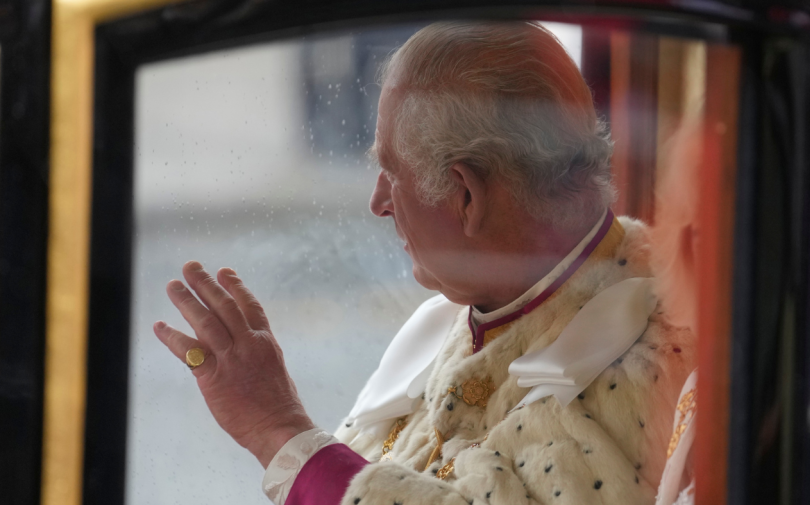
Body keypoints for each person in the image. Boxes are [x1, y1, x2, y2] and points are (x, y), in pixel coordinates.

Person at [153, 21, 696, 505]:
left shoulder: (640, 365)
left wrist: (275, 428)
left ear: (465, 196)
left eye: (392, 172)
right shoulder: (464, 311)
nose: (377, 203)